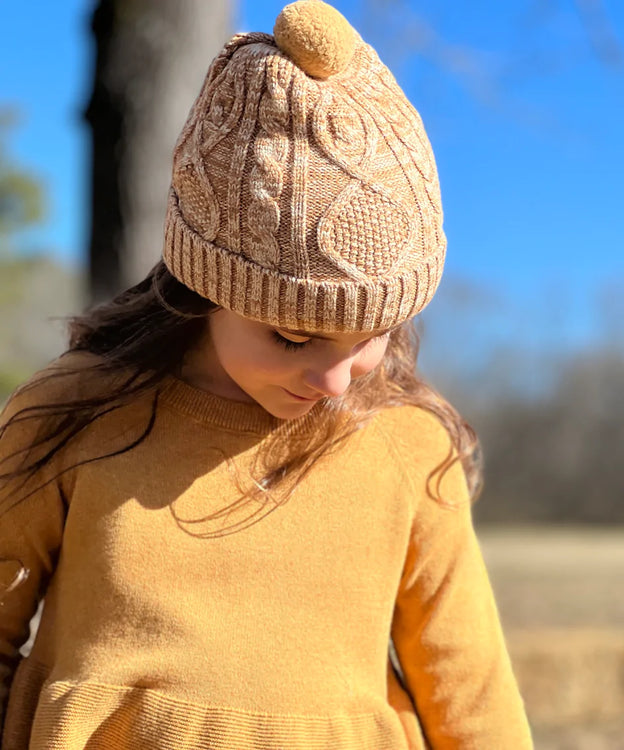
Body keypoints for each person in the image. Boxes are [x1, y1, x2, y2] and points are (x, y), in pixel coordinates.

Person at [0, 2, 533, 748]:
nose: (337, 381)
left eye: (372, 337)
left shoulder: (410, 448)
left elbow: (472, 695)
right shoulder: (73, 414)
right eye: (293, 337)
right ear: (204, 287)